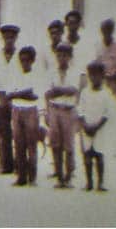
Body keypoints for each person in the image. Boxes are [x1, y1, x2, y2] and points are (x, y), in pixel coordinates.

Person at [6, 45, 44, 186]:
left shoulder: (36, 75)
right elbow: (9, 95)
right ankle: (21, 176)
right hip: (17, 111)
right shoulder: (15, 75)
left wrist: (18, 94)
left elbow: (34, 96)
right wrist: (23, 93)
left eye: (27, 60)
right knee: (19, 145)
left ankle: (32, 177)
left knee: (31, 145)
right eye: (21, 60)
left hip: (31, 112)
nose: (24, 63)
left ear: (32, 60)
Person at [77, 60, 115, 192]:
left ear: (103, 76)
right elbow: (80, 111)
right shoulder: (84, 92)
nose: (94, 77)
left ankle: (101, 183)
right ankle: (89, 182)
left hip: (100, 130)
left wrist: (97, 127)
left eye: (97, 75)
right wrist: (85, 126)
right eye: (91, 75)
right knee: (87, 156)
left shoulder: (106, 93)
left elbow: (107, 114)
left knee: (99, 156)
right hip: (86, 129)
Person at [45, 42, 79, 188]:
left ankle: (69, 176)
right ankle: (59, 176)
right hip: (54, 109)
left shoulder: (75, 71)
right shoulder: (51, 71)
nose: (62, 58)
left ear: (70, 56)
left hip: (68, 110)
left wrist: (58, 90)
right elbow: (48, 93)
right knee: (55, 144)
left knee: (69, 145)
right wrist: (47, 111)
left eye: (65, 55)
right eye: (59, 55)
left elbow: (73, 90)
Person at [0, 23, 21, 175]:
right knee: (1, 132)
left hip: (17, 97)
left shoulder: (20, 56)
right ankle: (4, 163)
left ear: (16, 38)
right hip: (0, 96)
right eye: (6, 37)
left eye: (12, 37)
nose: (9, 39)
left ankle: (18, 163)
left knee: (16, 132)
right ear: (2, 38)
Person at [95, 19, 116, 93]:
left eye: (109, 29)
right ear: (101, 31)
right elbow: (94, 64)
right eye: (104, 30)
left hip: (115, 82)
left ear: (112, 31)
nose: (106, 32)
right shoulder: (97, 47)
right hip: (101, 81)